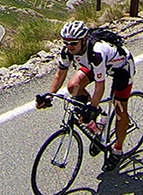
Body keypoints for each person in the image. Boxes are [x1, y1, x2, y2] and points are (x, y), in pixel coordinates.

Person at [35, 20, 137, 171]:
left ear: (83, 40)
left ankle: (118, 150)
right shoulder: (67, 51)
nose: (69, 47)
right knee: (73, 86)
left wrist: (92, 108)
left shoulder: (96, 52)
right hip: (94, 66)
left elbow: (99, 86)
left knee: (120, 109)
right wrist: (49, 96)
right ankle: (101, 116)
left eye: (73, 43)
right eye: (66, 43)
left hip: (121, 69)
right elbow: (60, 74)